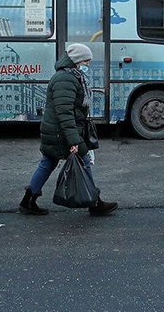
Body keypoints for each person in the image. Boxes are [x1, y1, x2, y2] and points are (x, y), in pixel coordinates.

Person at [18, 43, 118, 216]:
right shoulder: (66, 79)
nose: (88, 65)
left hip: (56, 131)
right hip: (61, 132)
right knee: (84, 160)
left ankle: (28, 200)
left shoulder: (70, 76)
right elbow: (65, 113)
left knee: (48, 162)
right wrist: (74, 141)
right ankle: (94, 202)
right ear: (77, 61)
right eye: (86, 61)